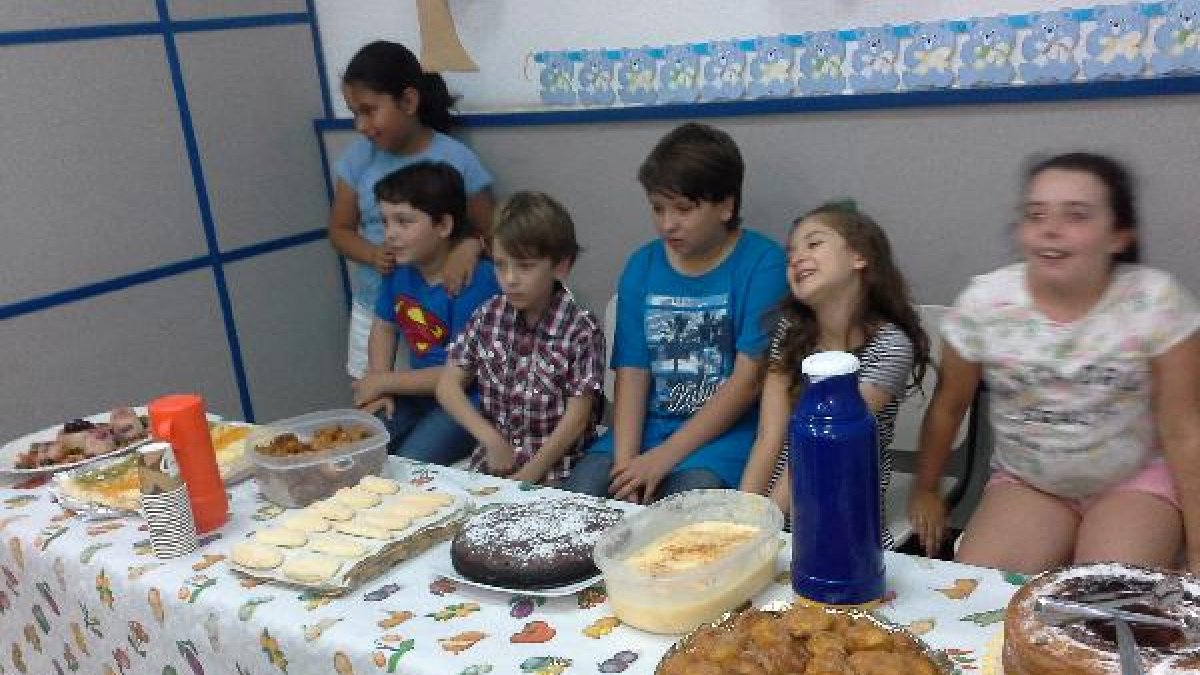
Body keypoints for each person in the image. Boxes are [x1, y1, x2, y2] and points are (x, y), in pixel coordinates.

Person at [908, 152, 1200, 573]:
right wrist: (926, 488)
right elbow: (949, 405)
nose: (1051, 229)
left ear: (1118, 235)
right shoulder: (985, 304)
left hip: (1133, 481)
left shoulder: (1157, 302)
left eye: (1077, 216)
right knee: (981, 599)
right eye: (1035, 215)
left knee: (1105, 610)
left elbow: (1184, 430)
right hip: (1030, 484)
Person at [562, 122, 788, 503]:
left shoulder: (763, 264)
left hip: (720, 440)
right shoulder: (642, 265)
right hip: (643, 431)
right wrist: (626, 466)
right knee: (575, 506)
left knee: (682, 524)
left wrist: (664, 458)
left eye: (683, 209)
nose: (667, 223)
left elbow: (747, 382)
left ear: (726, 206)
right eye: (657, 208)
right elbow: (633, 375)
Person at [739, 202, 929, 549]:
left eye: (813, 244)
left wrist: (761, 533)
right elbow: (769, 436)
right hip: (776, 514)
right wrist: (739, 519)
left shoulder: (890, 346)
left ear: (859, 257)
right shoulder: (791, 332)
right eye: (790, 253)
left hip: (843, 519)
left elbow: (819, 446)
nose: (796, 258)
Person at [329, 40, 495, 379]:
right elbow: (340, 230)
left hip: (440, 308)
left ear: (408, 101)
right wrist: (372, 254)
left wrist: (469, 247)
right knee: (373, 399)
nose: (360, 125)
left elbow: (494, 230)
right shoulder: (358, 159)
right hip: (377, 304)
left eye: (369, 110)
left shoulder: (456, 159)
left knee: (438, 396)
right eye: (354, 113)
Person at [437, 192, 605, 485]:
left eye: (525, 266)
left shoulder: (581, 329)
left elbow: (577, 420)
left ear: (561, 266)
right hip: (494, 464)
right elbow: (447, 386)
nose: (510, 279)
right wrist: (490, 439)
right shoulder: (488, 315)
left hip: (557, 471)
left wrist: (530, 473)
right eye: (501, 265)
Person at [352, 161, 500, 464]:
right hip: (414, 395)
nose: (390, 234)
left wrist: (384, 382)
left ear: (444, 226)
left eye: (404, 222)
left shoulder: (477, 280)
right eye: (385, 222)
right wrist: (379, 383)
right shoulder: (399, 271)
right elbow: (384, 327)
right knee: (355, 450)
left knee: (409, 463)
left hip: (467, 402)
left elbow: (460, 374)